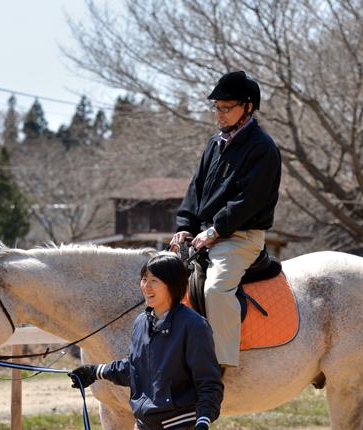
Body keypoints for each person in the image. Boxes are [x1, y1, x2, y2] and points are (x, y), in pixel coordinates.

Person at [169, 71, 281, 371]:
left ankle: (217, 366)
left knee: (216, 290)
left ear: (247, 107)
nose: (218, 113)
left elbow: (249, 201)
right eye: (216, 107)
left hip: (241, 236)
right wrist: (185, 226)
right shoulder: (214, 144)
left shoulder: (262, 147)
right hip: (206, 235)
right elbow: (196, 189)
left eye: (225, 107)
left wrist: (216, 230)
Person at [69, 254, 224, 430]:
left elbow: (209, 382)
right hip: (143, 425)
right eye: (144, 279)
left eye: (154, 281)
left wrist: (203, 422)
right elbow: (137, 368)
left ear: (172, 284)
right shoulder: (142, 322)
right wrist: (95, 371)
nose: (146, 287)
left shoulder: (194, 326)